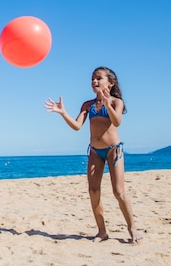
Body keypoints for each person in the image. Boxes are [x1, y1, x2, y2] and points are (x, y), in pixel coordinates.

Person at [44, 66, 141, 244]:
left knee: (118, 192)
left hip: (113, 150)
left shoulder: (116, 102)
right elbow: (76, 126)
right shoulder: (87, 105)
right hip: (95, 151)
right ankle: (102, 231)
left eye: (99, 78)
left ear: (110, 83)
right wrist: (63, 112)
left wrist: (106, 104)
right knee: (93, 190)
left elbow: (117, 122)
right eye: (92, 79)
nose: (94, 81)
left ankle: (132, 228)